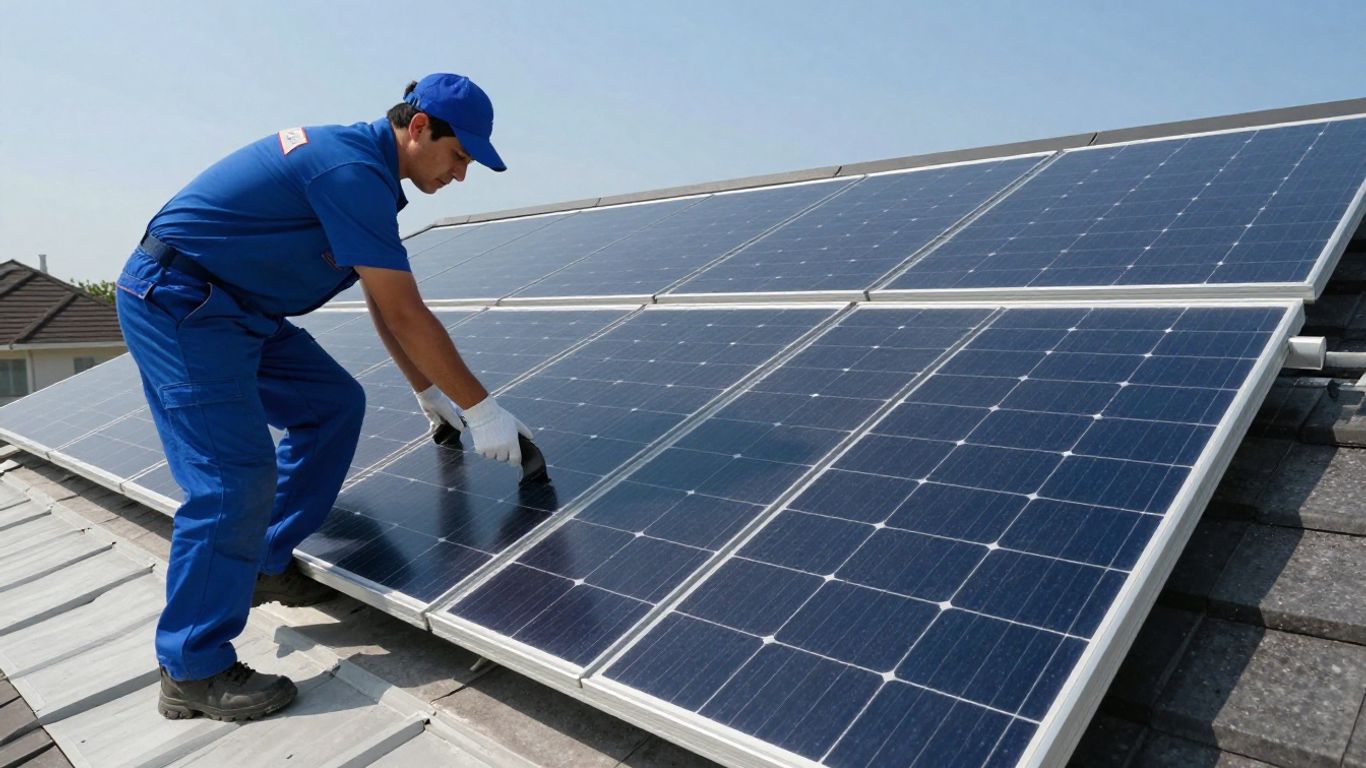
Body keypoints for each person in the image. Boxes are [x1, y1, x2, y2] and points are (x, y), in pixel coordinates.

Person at [115, 73, 530, 722]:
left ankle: (263, 560)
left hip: (237, 307)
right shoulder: (348, 172)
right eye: (459, 156)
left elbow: (382, 303)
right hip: (184, 303)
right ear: (419, 128)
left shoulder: (363, 170)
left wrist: (427, 391)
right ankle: (191, 668)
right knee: (232, 481)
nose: (460, 174)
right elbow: (406, 311)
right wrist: (482, 410)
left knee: (333, 405)